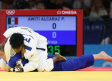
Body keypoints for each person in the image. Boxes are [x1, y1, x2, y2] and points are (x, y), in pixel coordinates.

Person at [0, 42, 112, 72]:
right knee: (74, 65)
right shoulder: (10, 57)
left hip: (47, 62)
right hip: (44, 61)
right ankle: (98, 55)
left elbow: (9, 67)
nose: (1, 57)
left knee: (73, 64)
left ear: (6, 51)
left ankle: (100, 55)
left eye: (1, 54)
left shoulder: (14, 56)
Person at [2, 27, 66, 72]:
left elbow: (34, 63)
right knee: (2, 64)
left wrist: (23, 69)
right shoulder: (8, 44)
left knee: (41, 68)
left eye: (17, 49)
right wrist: (10, 64)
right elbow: (8, 62)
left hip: (39, 42)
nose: (15, 50)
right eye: (14, 49)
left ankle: (56, 58)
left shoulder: (30, 47)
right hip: (24, 32)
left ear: (23, 45)